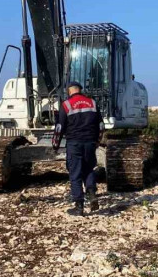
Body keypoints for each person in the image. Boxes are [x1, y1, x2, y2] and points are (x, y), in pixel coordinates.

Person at [53, 81, 103, 216]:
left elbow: (59, 129)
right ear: (80, 90)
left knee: (75, 174)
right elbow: (101, 125)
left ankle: (79, 207)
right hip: (90, 143)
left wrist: (55, 145)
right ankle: (92, 195)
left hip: (74, 144)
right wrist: (97, 141)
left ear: (69, 91)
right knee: (89, 168)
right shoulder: (92, 103)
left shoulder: (66, 105)